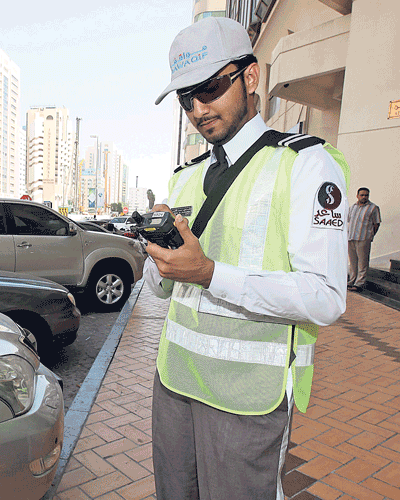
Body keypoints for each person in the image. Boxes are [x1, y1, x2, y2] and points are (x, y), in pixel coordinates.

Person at [147, 17, 350, 500]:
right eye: (185, 99)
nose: (198, 109)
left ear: (250, 77)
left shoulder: (305, 164)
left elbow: (326, 298)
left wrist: (209, 273)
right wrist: (156, 255)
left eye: (210, 89)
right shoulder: (185, 176)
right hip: (174, 381)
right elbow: (161, 289)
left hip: (247, 397)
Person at [347, 187, 381, 291]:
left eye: (366, 195)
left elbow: (376, 223)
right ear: (357, 196)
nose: (364, 197)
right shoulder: (352, 207)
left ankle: (359, 284)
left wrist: (370, 236)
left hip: (363, 238)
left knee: (363, 262)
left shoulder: (373, 208)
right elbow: (348, 221)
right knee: (353, 262)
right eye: (362, 195)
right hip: (351, 238)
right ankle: (351, 281)